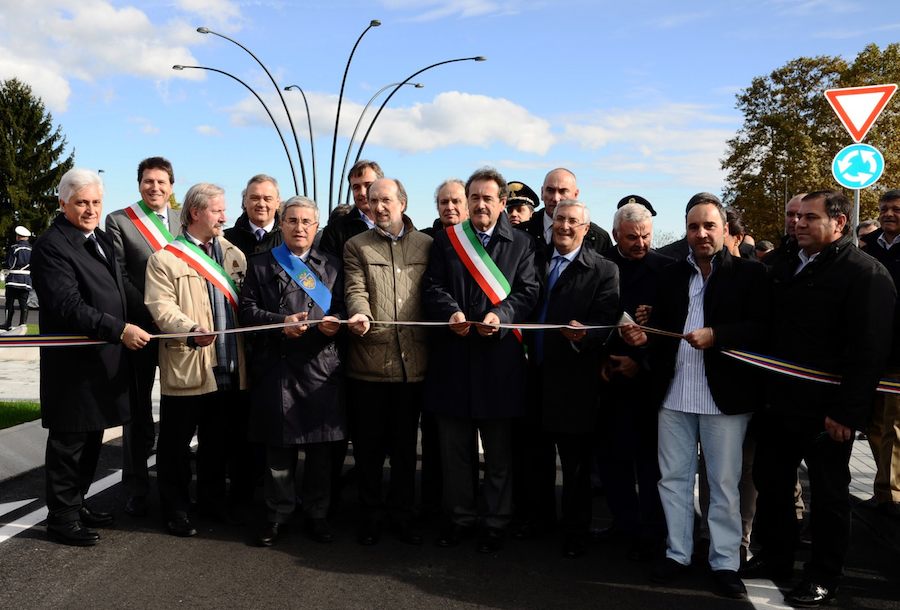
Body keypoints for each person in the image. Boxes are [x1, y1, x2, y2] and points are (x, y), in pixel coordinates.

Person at [746, 191, 895, 607]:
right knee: (772, 484)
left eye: (810, 218)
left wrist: (848, 412)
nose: (798, 224)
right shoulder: (783, 265)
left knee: (830, 496)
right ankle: (776, 559)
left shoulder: (866, 274)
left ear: (839, 223)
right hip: (778, 405)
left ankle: (823, 575)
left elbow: (870, 350)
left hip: (827, 414)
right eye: (796, 218)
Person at [621, 192, 769, 600]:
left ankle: (724, 562)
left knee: (722, 484)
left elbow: (762, 328)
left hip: (725, 399)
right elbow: (663, 332)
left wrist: (718, 335)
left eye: (709, 226)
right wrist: (642, 332)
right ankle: (678, 554)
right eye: (693, 226)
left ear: (725, 229)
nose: (701, 234)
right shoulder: (669, 274)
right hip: (673, 395)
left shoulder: (750, 274)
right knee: (673, 480)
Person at [31, 168, 151, 546]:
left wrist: (156, 319)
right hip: (74, 367)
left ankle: (77, 503)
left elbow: (122, 289)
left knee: (92, 437)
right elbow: (68, 305)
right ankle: (61, 518)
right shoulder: (52, 246)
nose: (90, 209)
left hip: (104, 362)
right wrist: (118, 329)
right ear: (63, 202)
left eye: (96, 202)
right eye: (81, 202)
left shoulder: (97, 238)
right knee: (70, 442)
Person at [423, 167, 539, 553]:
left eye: (488, 198)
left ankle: (496, 521)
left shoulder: (522, 244)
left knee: (499, 453)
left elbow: (527, 292)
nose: (480, 204)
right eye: (474, 197)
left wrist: (501, 317)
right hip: (453, 360)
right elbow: (433, 286)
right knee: (455, 452)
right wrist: (452, 312)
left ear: (502, 203)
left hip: (499, 361)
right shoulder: (447, 240)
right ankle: (460, 518)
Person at [239, 196, 346, 546]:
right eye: (293, 220)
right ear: (281, 223)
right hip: (277, 367)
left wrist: (335, 324)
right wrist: (279, 323)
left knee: (319, 452)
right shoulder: (260, 264)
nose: (299, 227)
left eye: (306, 222)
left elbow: (345, 308)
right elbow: (247, 312)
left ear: (316, 227)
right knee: (278, 451)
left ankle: (317, 513)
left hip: (319, 367)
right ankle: (277, 514)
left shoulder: (333, 265)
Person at [145, 183, 247, 538]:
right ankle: (175, 508)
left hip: (229, 366)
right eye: (218, 210)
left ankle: (212, 502)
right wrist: (188, 329)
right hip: (189, 365)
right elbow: (161, 308)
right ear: (195, 213)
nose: (226, 216)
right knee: (175, 446)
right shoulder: (165, 259)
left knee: (217, 444)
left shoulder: (234, 255)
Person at [526, 198, 619, 558]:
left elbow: (607, 318)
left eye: (573, 222)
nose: (564, 226)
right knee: (536, 458)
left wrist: (587, 333)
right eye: (559, 219)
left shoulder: (603, 269)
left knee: (576, 465)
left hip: (575, 381)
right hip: (533, 375)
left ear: (585, 229)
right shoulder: (533, 260)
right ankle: (539, 520)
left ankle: (575, 530)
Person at [343, 178, 432, 546]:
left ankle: (402, 514)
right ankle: (370, 515)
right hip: (370, 363)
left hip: (414, 364)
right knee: (367, 449)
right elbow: (355, 288)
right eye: (372, 200)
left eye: (386, 200)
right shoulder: (356, 246)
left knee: (404, 448)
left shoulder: (427, 245)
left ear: (403, 202)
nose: (379, 206)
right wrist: (359, 314)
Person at [105, 156, 180, 517]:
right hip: (143, 329)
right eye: (148, 181)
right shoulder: (119, 221)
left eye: (161, 182)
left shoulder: (184, 221)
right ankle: (135, 486)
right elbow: (120, 276)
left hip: (182, 331)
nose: (155, 188)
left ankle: (175, 483)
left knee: (180, 408)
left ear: (171, 186)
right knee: (137, 413)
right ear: (139, 184)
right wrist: (155, 313)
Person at [597, 200, 671, 561]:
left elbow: (675, 328)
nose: (640, 244)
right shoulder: (598, 265)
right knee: (612, 459)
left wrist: (640, 361)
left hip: (648, 384)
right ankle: (622, 522)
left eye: (645, 236)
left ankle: (653, 529)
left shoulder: (667, 270)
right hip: (606, 377)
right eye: (631, 238)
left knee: (650, 462)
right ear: (615, 236)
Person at [858, 191, 900, 519]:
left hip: (898, 352)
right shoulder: (867, 247)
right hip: (871, 351)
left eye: (896, 210)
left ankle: (892, 495)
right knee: (872, 422)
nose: (889, 214)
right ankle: (883, 482)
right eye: (884, 208)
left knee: (895, 424)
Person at [517, 168, 612, 267]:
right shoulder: (520, 234)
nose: (555, 198)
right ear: (542, 192)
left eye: (563, 191)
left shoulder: (598, 238)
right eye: (550, 190)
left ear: (575, 194)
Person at [319, 160, 383, 257]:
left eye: (368, 185)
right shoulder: (335, 231)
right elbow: (327, 270)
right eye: (356, 187)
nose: (362, 192)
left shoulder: (402, 227)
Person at [224, 174, 283, 257]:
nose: (261, 204)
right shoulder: (225, 240)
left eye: (267, 199)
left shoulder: (289, 240)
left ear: (277, 203)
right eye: (255, 198)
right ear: (245, 201)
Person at [3, 225, 32, 330]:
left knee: (9, 303)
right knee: (23, 303)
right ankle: (22, 324)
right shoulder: (32, 249)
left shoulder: (14, 248)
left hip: (13, 280)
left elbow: (10, 264)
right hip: (26, 281)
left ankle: (8, 324)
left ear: (18, 237)